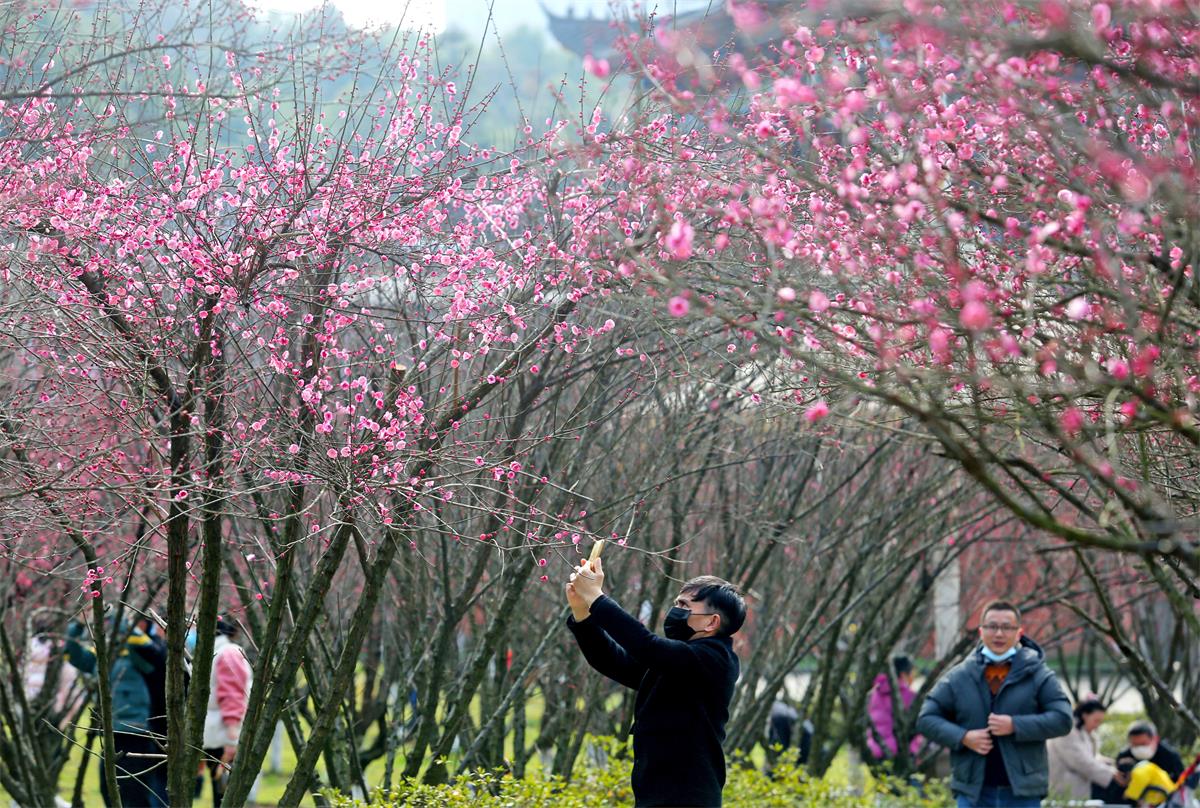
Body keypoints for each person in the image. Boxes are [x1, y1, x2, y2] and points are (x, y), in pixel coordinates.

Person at [565, 558, 746, 807]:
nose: (675, 611)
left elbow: (647, 646)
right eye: (676, 603)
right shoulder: (679, 661)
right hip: (655, 795)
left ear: (712, 622)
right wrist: (582, 612)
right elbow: (614, 662)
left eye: (684, 605)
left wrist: (597, 599)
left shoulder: (715, 659)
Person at [916, 600, 1072, 807]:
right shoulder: (960, 676)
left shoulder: (1038, 675)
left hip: (1022, 793)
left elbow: (1062, 718)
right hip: (973, 793)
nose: (999, 634)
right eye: (992, 626)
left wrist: (1015, 725)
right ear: (981, 631)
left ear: (1019, 633)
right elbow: (927, 718)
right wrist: (963, 737)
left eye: (1007, 627)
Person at [66, 619, 169, 808]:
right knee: (109, 791)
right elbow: (73, 655)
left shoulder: (148, 651)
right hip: (112, 732)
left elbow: (153, 655)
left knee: (134, 795)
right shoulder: (107, 655)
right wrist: (78, 626)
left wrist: (118, 616)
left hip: (138, 734)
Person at [202, 617, 253, 808]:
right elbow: (232, 694)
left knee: (224, 793)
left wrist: (232, 736)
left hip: (223, 733)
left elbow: (231, 694)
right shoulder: (226, 652)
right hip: (223, 733)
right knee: (225, 793)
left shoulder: (223, 653)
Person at [1047, 696, 1124, 800]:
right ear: (1085, 716)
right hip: (1065, 787)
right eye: (1096, 721)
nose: (1097, 726)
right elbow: (1081, 761)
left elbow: (1093, 757)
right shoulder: (1067, 732)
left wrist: (1113, 764)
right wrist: (1111, 773)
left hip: (1078, 784)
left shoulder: (1083, 731)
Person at [866, 654, 924, 764]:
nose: (913, 676)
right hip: (897, 752)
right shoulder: (908, 696)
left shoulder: (876, 692)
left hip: (874, 750)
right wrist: (915, 751)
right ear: (903, 674)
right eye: (912, 673)